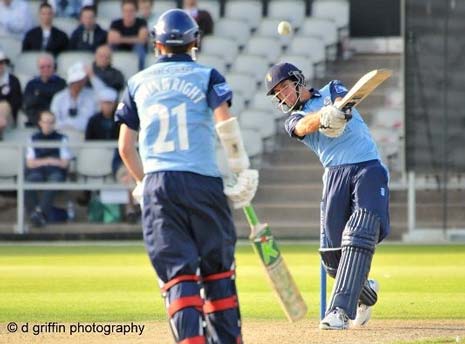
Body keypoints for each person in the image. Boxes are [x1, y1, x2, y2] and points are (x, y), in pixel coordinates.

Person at [116, 9, 258, 343]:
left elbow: (125, 147)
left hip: (159, 185)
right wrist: (240, 170)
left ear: (156, 43)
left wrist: (142, 183)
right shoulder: (208, 75)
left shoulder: (137, 82)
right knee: (218, 271)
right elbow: (225, 124)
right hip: (203, 182)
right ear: (195, 41)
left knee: (178, 278)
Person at [264, 62, 390, 330]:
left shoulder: (331, 88)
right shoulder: (292, 120)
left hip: (367, 166)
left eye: (284, 88)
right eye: (277, 94)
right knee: (333, 261)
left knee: (359, 232)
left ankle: (339, 312)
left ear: (298, 81)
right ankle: (366, 292)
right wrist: (322, 118)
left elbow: (342, 101)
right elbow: (303, 127)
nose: (282, 96)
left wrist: (335, 110)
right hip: (334, 176)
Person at [85, 88, 139, 222]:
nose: (107, 106)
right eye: (105, 103)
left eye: (110, 103)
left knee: (131, 176)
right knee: (129, 175)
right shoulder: (95, 120)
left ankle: (133, 209)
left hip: (132, 160)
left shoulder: (123, 120)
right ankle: (131, 209)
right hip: (120, 161)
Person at [25, 110, 72, 227]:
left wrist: (41, 161)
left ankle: (38, 214)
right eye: (45, 122)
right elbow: (30, 163)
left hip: (54, 171)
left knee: (54, 181)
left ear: (54, 123)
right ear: (40, 123)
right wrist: (49, 160)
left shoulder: (62, 138)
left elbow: (65, 163)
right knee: (30, 181)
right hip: (37, 171)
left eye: (51, 122)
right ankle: (36, 215)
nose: (48, 125)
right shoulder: (33, 138)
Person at [50, 62, 98, 133]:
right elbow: (54, 120)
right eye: (76, 81)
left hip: (85, 135)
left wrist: (92, 76)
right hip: (62, 133)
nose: (79, 83)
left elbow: (106, 95)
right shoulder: (59, 97)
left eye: (82, 80)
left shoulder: (92, 95)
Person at [23, 53, 66, 127]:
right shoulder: (31, 84)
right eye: (42, 67)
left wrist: (39, 94)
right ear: (38, 68)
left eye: (49, 66)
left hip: (56, 118)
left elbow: (62, 103)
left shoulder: (61, 83)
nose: (46, 69)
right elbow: (28, 104)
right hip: (36, 119)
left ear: (54, 67)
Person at [108, 0, 149, 70]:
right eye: (126, 11)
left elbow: (142, 40)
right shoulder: (115, 23)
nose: (128, 13)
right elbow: (111, 40)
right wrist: (135, 39)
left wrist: (120, 39)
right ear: (122, 11)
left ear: (136, 11)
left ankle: (140, 72)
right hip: (119, 47)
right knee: (108, 48)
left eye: (131, 11)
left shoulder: (142, 22)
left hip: (136, 48)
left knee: (140, 48)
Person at [0, 51, 22, 139]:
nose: (0, 66)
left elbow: (15, 101)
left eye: (1, 63)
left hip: (8, 115)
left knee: (4, 105)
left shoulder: (13, 80)